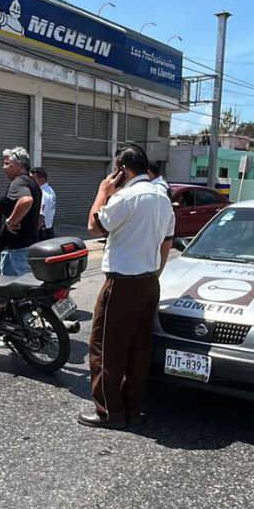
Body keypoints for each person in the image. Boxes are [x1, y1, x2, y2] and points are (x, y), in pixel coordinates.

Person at [79, 143, 175, 430]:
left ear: (122, 170)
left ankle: (109, 412)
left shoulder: (127, 197)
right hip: (148, 282)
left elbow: (94, 227)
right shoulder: (162, 197)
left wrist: (102, 193)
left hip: (122, 283)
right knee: (139, 348)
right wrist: (153, 275)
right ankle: (133, 408)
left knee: (105, 347)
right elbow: (167, 242)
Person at [0, 147, 42, 276]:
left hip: (16, 252)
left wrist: (10, 222)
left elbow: (26, 200)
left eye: (7, 164)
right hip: (26, 248)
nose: (4, 167)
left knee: (13, 291)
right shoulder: (32, 182)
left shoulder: (19, 182)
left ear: (18, 165)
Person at [31, 166, 57, 241]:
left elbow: (41, 216)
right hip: (48, 229)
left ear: (42, 180)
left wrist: (33, 235)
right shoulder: (49, 190)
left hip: (43, 233)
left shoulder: (43, 194)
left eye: (33, 179)